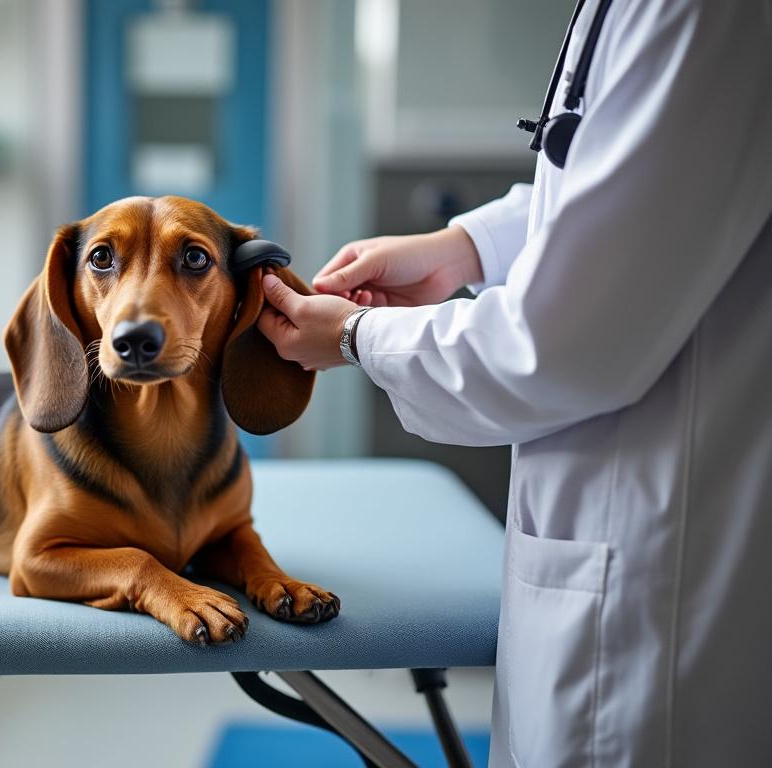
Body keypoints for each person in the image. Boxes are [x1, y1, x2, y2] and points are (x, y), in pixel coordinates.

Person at [255, 1, 772, 765]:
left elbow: (559, 347)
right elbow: (619, 189)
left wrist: (358, 337)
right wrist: (465, 246)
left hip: (655, 591)